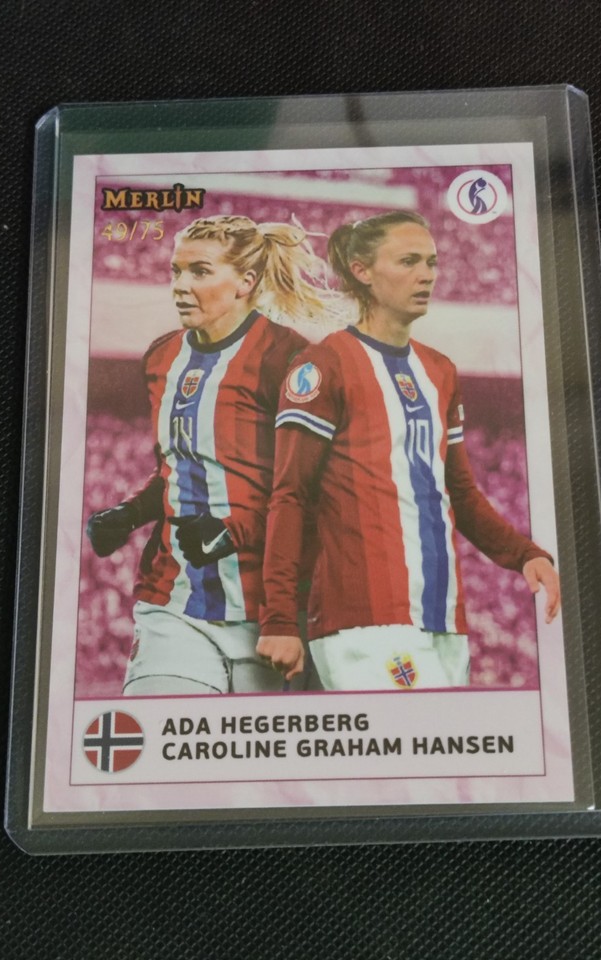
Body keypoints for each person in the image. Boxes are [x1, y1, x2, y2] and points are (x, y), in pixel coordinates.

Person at [258, 211, 560, 690]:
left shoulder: (440, 371)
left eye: (431, 263)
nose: (427, 275)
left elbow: (459, 492)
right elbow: (289, 496)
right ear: (362, 271)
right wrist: (278, 617)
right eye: (409, 262)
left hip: (443, 620)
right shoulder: (324, 366)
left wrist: (523, 554)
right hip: (363, 622)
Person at [86, 214, 331, 695]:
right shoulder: (162, 357)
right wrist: (130, 513)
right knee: (161, 730)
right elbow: (177, 469)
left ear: (246, 281)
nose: (181, 285)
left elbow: (314, 490)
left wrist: (232, 531)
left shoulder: (291, 360)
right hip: (175, 599)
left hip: (273, 611)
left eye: (199, 271)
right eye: (176, 271)